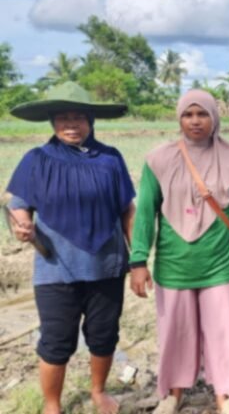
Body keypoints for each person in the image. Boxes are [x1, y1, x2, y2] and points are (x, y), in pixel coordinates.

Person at [129, 90, 229, 414]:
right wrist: (138, 261)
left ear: (214, 118)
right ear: (179, 118)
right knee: (175, 331)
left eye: (202, 114)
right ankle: (173, 394)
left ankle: (226, 396)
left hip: (220, 264)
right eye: (188, 115)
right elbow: (145, 213)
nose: (195, 121)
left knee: (225, 331)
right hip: (173, 265)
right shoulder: (157, 160)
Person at [5, 82, 135, 414]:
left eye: (78, 117)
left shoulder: (110, 159)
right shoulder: (37, 160)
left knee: (104, 336)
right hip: (55, 267)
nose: (71, 124)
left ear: (91, 120)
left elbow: (127, 210)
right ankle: (52, 405)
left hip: (106, 264)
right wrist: (21, 226)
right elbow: (18, 206)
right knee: (56, 341)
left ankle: (98, 391)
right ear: (52, 122)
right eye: (63, 118)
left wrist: (139, 259)